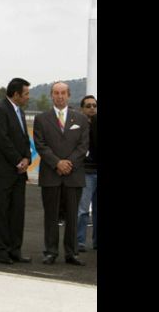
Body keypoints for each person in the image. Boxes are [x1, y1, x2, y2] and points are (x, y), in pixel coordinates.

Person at [33, 82, 89, 266]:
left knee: (73, 216)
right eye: (56, 93)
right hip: (51, 174)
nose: (60, 96)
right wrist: (57, 162)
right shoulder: (41, 119)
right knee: (51, 215)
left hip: (73, 175)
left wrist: (68, 164)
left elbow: (83, 146)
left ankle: (71, 253)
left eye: (63, 93)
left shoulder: (80, 119)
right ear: (51, 95)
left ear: (69, 95)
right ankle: (50, 252)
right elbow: (40, 144)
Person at [0, 77, 33, 265]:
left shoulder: (19, 112)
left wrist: (27, 158)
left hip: (19, 172)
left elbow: (24, 138)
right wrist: (18, 160)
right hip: (2, 170)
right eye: (26, 93)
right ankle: (2, 251)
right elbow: (2, 139)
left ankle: (15, 249)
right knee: (2, 212)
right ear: (16, 94)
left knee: (17, 212)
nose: (28, 97)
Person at [77, 96, 97, 252]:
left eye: (94, 105)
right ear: (82, 108)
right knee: (83, 210)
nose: (92, 108)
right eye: (88, 105)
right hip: (86, 172)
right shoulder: (77, 126)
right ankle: (80, 241)